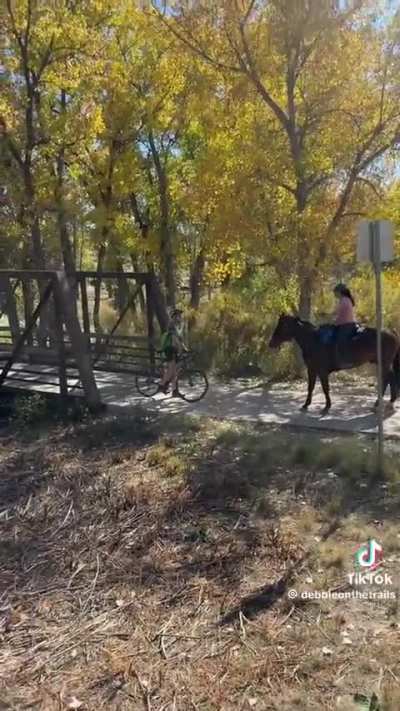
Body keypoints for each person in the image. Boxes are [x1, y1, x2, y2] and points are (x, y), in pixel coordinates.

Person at [158, 309, 187, 397]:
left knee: (174, 372)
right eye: (178, 315)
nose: (180, 317)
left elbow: (180, 339)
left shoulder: (178, 325)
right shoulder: (172, 325)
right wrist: (182, 349)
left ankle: (174, 391)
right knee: (171, 370)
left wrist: (184, 348)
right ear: (174, 316)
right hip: (169, 348)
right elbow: (174, 339)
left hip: (174, 349)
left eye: (180, 315)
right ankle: (161, 385)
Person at [333, 283, 356, 366]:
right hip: (349, 323)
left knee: (339, 341)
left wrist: (335, 323)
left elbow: (341, 316)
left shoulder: (344, 301)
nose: (334, 294)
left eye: (335, 292)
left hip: (346, 325)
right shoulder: (347, 300)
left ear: (340, 292)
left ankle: (345, 361)